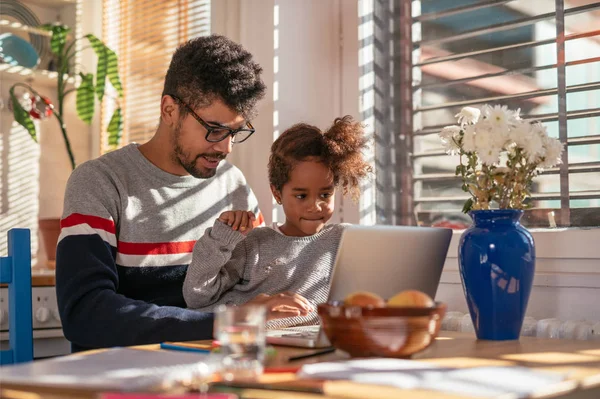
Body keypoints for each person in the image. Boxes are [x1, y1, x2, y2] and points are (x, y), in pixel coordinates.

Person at [56, 35, 310, 352]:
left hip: (211, 369)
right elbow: (85, 313)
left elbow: (253, 282)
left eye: (235, 132)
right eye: (214, 129)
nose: (226, 147)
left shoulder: (231, 184)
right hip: (124, 377)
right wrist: (226, 322)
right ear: (169, 110)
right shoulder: (100, 182)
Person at [183, 116, 372, 328]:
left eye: (325, 195)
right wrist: (220, 240)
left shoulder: (346, 241)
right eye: (301, 196)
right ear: (277, 193)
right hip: (253, 341)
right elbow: (196, 298)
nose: (315, 206)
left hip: (314, 343)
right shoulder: (253, 244)